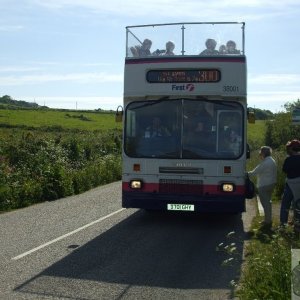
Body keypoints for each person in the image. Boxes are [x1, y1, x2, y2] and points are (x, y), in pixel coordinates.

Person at [248, 146, 277, 227]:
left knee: (265, 203)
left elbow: (255, 172)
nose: (260, 154)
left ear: (263, 153)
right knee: (268, 202)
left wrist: (246, 174)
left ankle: (267, 221)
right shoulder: (271, 160)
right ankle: (268, 219)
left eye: (260, 153)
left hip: (264, 185)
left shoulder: (265, 162)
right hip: (271, 183)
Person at [279, 139, 300, 227]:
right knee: (298, 204)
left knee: (285, 205)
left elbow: (284, 170)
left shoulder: (289, 159)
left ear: (292, 148)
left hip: (290, 184)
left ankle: (283, 224)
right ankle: (297, 224)